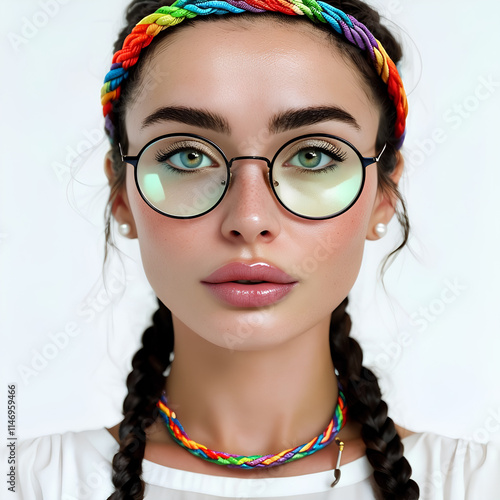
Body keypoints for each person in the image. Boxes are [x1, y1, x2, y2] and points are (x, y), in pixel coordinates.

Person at [9, 0, 500, 499]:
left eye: (313, 156)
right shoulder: (26, 482)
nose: (249, 219)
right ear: (122, 194)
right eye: (187, 155)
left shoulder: (476, 484)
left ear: (383, 196)